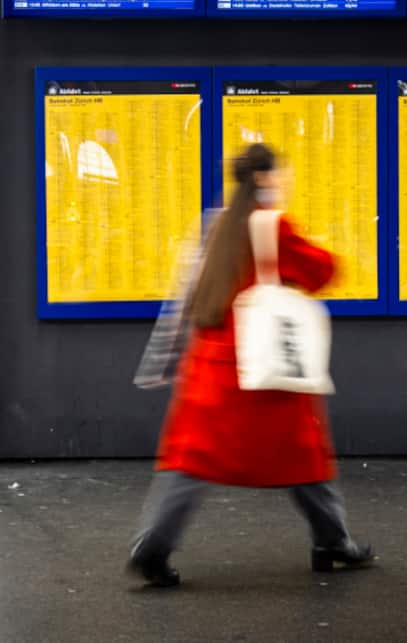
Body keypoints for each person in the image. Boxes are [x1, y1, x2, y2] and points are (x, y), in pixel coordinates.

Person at [127, 144, 372, 588]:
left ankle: (154, 545)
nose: (282, 181)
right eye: (278, 174)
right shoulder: (271, 225)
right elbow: (323, 270)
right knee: (305, 456)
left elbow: (192, 291)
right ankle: (332, 541)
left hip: (211, 366)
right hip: (262, 368)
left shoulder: (215, 224)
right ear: (261, 178)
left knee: (191, 461)